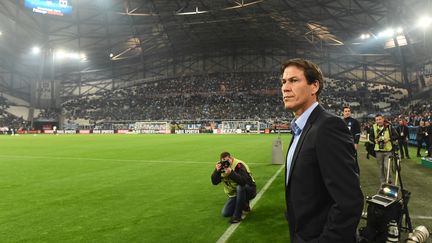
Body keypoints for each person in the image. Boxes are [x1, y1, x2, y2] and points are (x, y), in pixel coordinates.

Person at [280, 58, 363, 243]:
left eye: (294, 80)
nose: (285, 88)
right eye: (283, 82)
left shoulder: (328, 126)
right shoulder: (301, 129)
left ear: (314, 86)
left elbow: (349, 202)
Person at [211, 152, 256, 224]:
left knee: (240, 187)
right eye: (224, 161)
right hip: (235, 194)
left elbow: (243, 182)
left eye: (227, 160)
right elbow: (214, 182)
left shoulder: (238, 165)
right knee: (226, 213)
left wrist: (231, 173)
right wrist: (217, 171)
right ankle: (244, 205)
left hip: (250, 190)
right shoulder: (221, 166)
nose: (226, 163)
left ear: (231, 158)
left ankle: (237, 216)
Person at [369, 114, 398, 183]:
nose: (378, 121)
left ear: (383, 119)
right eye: (377, 120)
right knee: (380, 167)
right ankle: (383, 183)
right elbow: (371, 137)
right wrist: (374, 140)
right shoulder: (373, 127)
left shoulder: (389, 126)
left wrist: (388, 139)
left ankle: (390, 181)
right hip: (378, 150)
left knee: (387, 167)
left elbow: (396, 136)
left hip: (388, 150)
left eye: (380, 119)